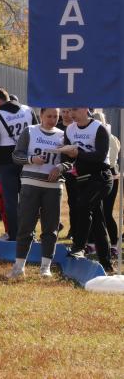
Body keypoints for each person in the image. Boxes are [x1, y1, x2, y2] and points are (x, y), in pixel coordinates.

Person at [8, 108, 64, 278]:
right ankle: (18, 267)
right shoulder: (30, 131)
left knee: (50, 227)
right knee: (25, 226)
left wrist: (61, 168)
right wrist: (32, 160)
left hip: (53, 188)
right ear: (41, 116)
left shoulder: (63, 135)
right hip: (30, 184)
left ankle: (45, 267)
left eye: (56, 116)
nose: (52, 119)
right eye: (49, 116)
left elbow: (70, 161)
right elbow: (16, 156)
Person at [58, 108, 114, 272]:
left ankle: (78, 247)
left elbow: (100, 155)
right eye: (68, 111)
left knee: (82, 206)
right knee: (97, 221)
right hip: (82, 179)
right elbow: (68, 157)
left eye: (74, 110)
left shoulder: (99, 128)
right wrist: (63, 158)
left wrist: (78, 154)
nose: (70, 114)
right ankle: (106, 263)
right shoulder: (70, 129)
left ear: (85, 109)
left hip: (101, 178)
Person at [0, 89, 38, 241]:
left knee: (11, 201)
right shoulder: (28, 110)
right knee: (29, 200)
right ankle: (30, 234)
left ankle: (14, 235)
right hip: (27, 160)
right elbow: (37, 134)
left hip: (7, 162)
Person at [92, 111, 120, 257]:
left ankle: (114, 244)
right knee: (94, 211)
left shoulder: (111, 138)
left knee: (107, 212)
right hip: (94, 177)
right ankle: (92, 243)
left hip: (110, 178)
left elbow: (111, 160)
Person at [59, 108, 77, 239]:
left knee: (73, 201)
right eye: (63, 111)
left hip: (72, 169)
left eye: (68, 111)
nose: (66, 114)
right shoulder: (57, 126)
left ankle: (74, 230)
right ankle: (55, 225)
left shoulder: (76, 128)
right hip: (56, 168)